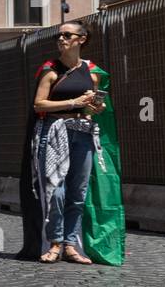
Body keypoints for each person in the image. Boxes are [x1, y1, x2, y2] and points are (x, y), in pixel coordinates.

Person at [27, 21, 107, 264]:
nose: (61, 39)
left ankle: (71, 245)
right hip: (54, 132)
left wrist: (97, 106)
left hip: (82, 132)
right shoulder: (51, 70)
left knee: (78, 192)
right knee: (56, 190)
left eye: (67, 35)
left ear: (81, 39)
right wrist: (73, 103)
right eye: (59, 36)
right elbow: (39, 104)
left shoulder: (91, 72)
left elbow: (95, 108)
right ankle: (54, 243)